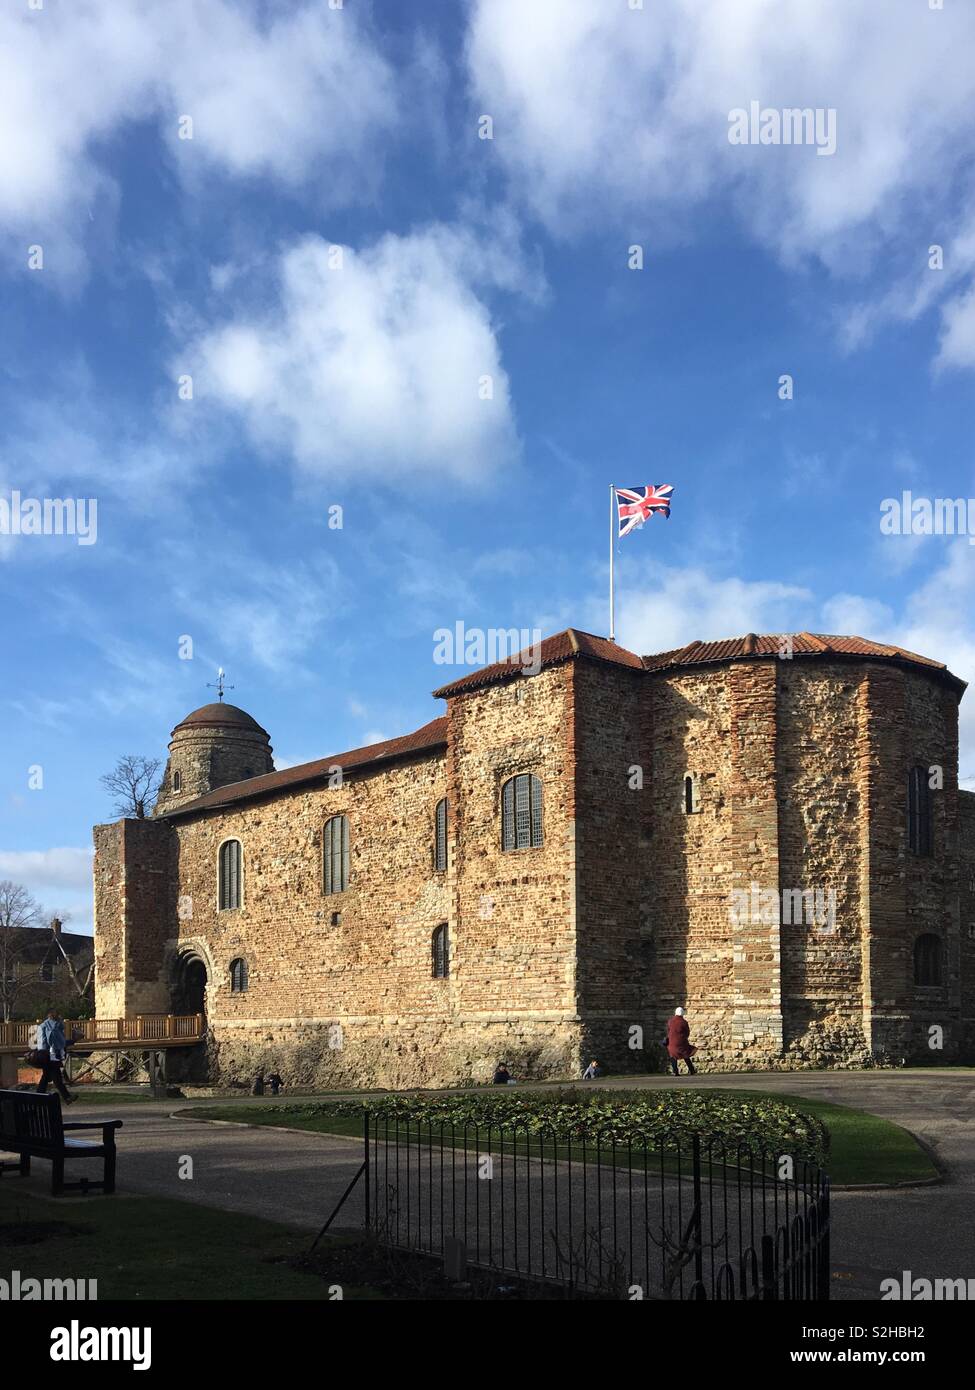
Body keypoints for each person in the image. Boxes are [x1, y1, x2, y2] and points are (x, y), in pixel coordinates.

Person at [36, 1009, 76, 1103]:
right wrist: (73, 1040)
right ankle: (67, 1097)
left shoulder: (43, 1026)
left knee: (46, 1077)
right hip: (51, 1055)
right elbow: (58, 1043)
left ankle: (38, 1096)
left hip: (44, 1055)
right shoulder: (53, 1028)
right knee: (56, 1077)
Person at [666, 1007, 697, 1077]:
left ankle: (675, 1071)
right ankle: (691, 1070)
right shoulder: (684, 1022)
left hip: (671, 1042)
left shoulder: (670, 1021)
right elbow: (687, 1033)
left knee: (673, 1055)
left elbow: (668, 1031)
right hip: (681, 1042)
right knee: (686, 1054)